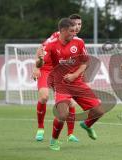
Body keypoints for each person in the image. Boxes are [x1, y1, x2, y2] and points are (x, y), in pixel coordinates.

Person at [37, 18, 104, 151]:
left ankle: (87, 125)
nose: (74, 33)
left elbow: (85, 62)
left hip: (77, 81)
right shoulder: (50, 44)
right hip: (61, 83)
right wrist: (38, 63)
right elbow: (41, 63)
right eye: (71, 31)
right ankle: (54, 140)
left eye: (75, 31)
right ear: (62, 31)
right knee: (62, 115)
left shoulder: (79, 42)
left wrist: (74, 75)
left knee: (99, 110)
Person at [32, 14, 82, 142]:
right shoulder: (56, 36)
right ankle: (40, 128)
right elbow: (41, 48)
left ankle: (70, 134)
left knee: (70, 102)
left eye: (79, 24)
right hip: (46, 69)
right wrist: (36, 67)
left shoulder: (76, 41)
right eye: (75, 24)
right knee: (44, 97)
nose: (77, 27)